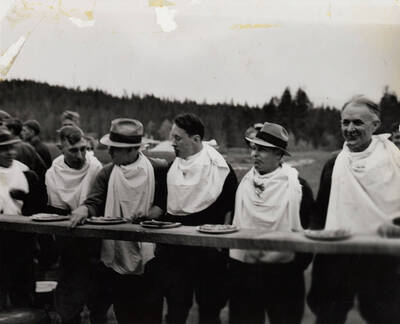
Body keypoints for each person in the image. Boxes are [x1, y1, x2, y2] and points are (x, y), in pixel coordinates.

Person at [307, 95, 400, 324]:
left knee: (384, 315)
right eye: (344, 122)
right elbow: (320, 215)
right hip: (338, 257)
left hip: (383, 256)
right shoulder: (334, 163)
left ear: (375, 124)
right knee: (329, 316)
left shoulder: (394, 160)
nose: (350, 129)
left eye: (358, 123)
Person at [70, 118, 168, 324]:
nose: (110, 153)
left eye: (116, 149)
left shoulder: (157, 169)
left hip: (150, 254)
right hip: (118, 252)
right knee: (125, 309)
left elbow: (164, 202)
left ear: (133, 150)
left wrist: (152, 213)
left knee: (150, 312)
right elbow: (94, 200)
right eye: (110, 148)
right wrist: (84, 208)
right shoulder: (107, 172)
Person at [154, 113, 238, 324]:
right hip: (175, 255)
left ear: (196, 139)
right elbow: (161, 207)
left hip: (209, 256)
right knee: (175, 310)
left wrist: (223, 249)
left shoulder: (221, 170)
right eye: (172, 137)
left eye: (178, 138)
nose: (172, 143)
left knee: (209, 312)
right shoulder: (171, 170)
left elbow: (231, 213)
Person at [229, 122, 314, 324]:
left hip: (284, 275)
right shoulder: (245, 184)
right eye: (254, 148)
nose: (254, 155)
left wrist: (292, 267)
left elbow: (307, 234)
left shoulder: (298, 188)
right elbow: (235, 224)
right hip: (246, 273)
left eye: (262, 150)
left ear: (278, 154)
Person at [45, 125, 105, 324]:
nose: (80, 155)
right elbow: (57, 211)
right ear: (60, 148)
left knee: (99, 304)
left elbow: (98, 203)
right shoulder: (53, 173)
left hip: (96, 243)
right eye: (73, 150)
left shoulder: (96, 168)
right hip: (69, 244)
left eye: (83, 148)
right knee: (69, 306)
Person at [0, 128, 46, 309]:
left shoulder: (26, 173)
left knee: (23, 292)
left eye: (12, 148)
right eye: (3, 149)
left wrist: (27, 200)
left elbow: (40, 207)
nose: (10, 153)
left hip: (22, 242)